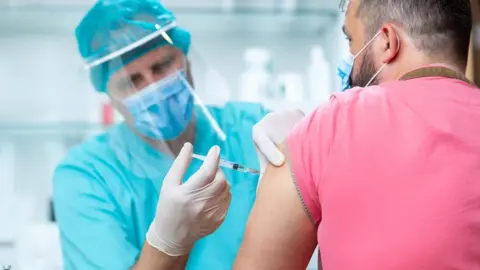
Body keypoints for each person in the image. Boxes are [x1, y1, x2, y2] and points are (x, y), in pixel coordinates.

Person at [234, 0, 480, 269]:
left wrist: (298, 149)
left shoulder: (327, 127)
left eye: (351, 41)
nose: (349, 60)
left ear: (387, 42)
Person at [52, 0, 296, 269]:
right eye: (132, 81)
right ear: (109, 94)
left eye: (162, 65)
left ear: (186, 58)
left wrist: (310, 139)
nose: (154, 87)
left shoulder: (251, 126)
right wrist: (167, 241)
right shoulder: (87, 174)